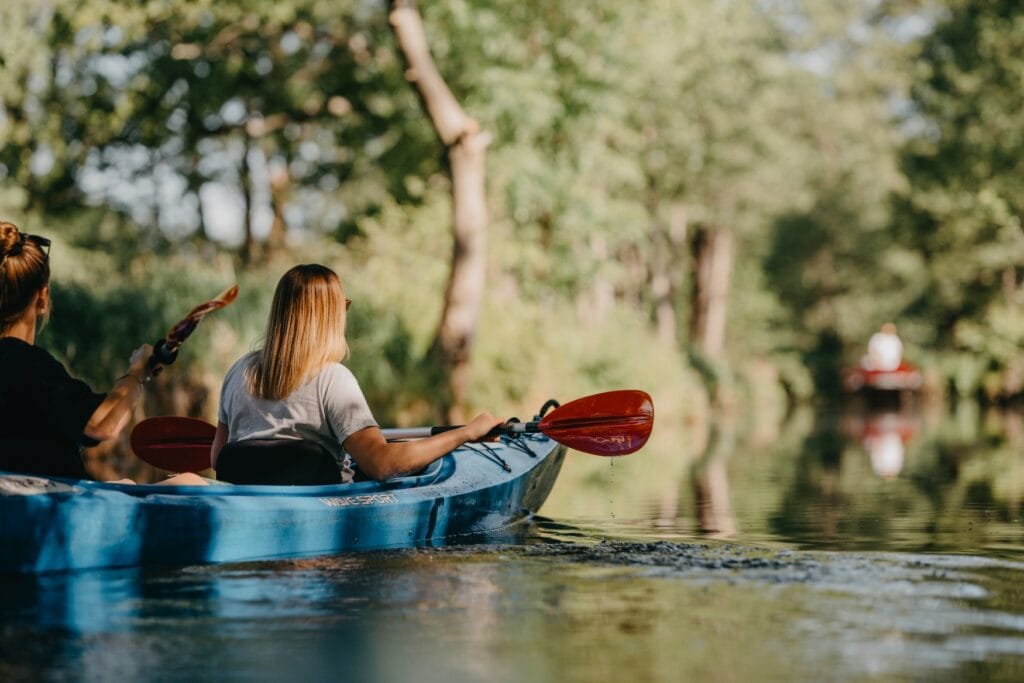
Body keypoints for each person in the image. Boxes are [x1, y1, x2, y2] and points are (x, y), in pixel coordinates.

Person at [212, 263, 503, 483]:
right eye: (343, 307)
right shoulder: (332, 379)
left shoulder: (237, 373)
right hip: (321, 524)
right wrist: (466, 433)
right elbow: (381, 464)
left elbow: (217, 458)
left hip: (247, 502)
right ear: (330, 316)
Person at [0, 221, 205, 485]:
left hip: (24, 502)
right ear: (42, 297)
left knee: (126, 484)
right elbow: (101, 423)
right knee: (188, 481)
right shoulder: (29, 365)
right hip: (43, 509)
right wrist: (137, 372)